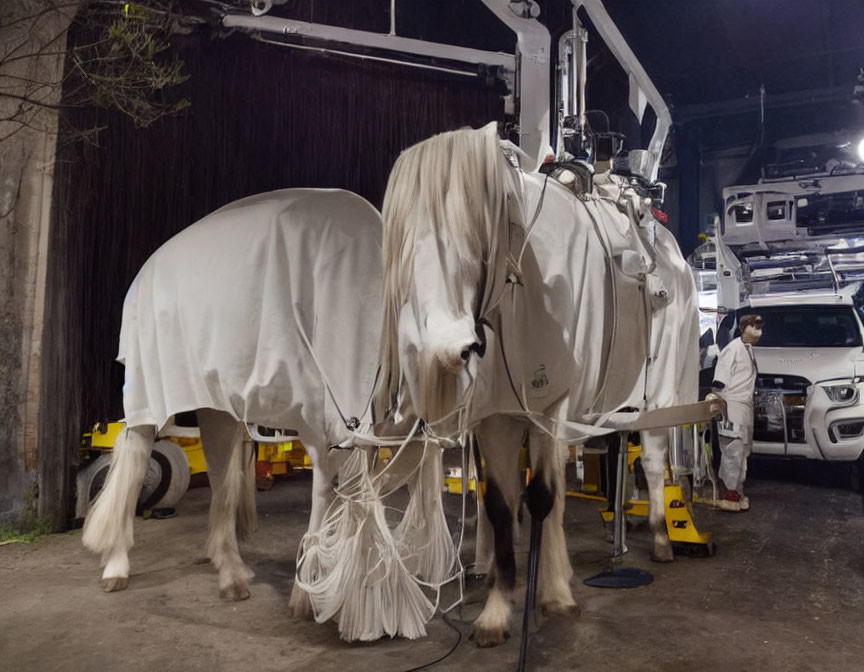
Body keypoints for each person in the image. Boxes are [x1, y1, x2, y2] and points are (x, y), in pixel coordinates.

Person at [707, 313, 763, 512]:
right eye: (754, 324)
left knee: (743, 450)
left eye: (759, 324)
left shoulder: (748, 349)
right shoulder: (733, 349)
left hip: (744, 406)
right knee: (733, 448)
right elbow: (720, 380)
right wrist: (719, 403)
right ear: (743, 327)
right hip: (731, 405)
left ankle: (737, 491)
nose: (758, 328)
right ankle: (730, 492)